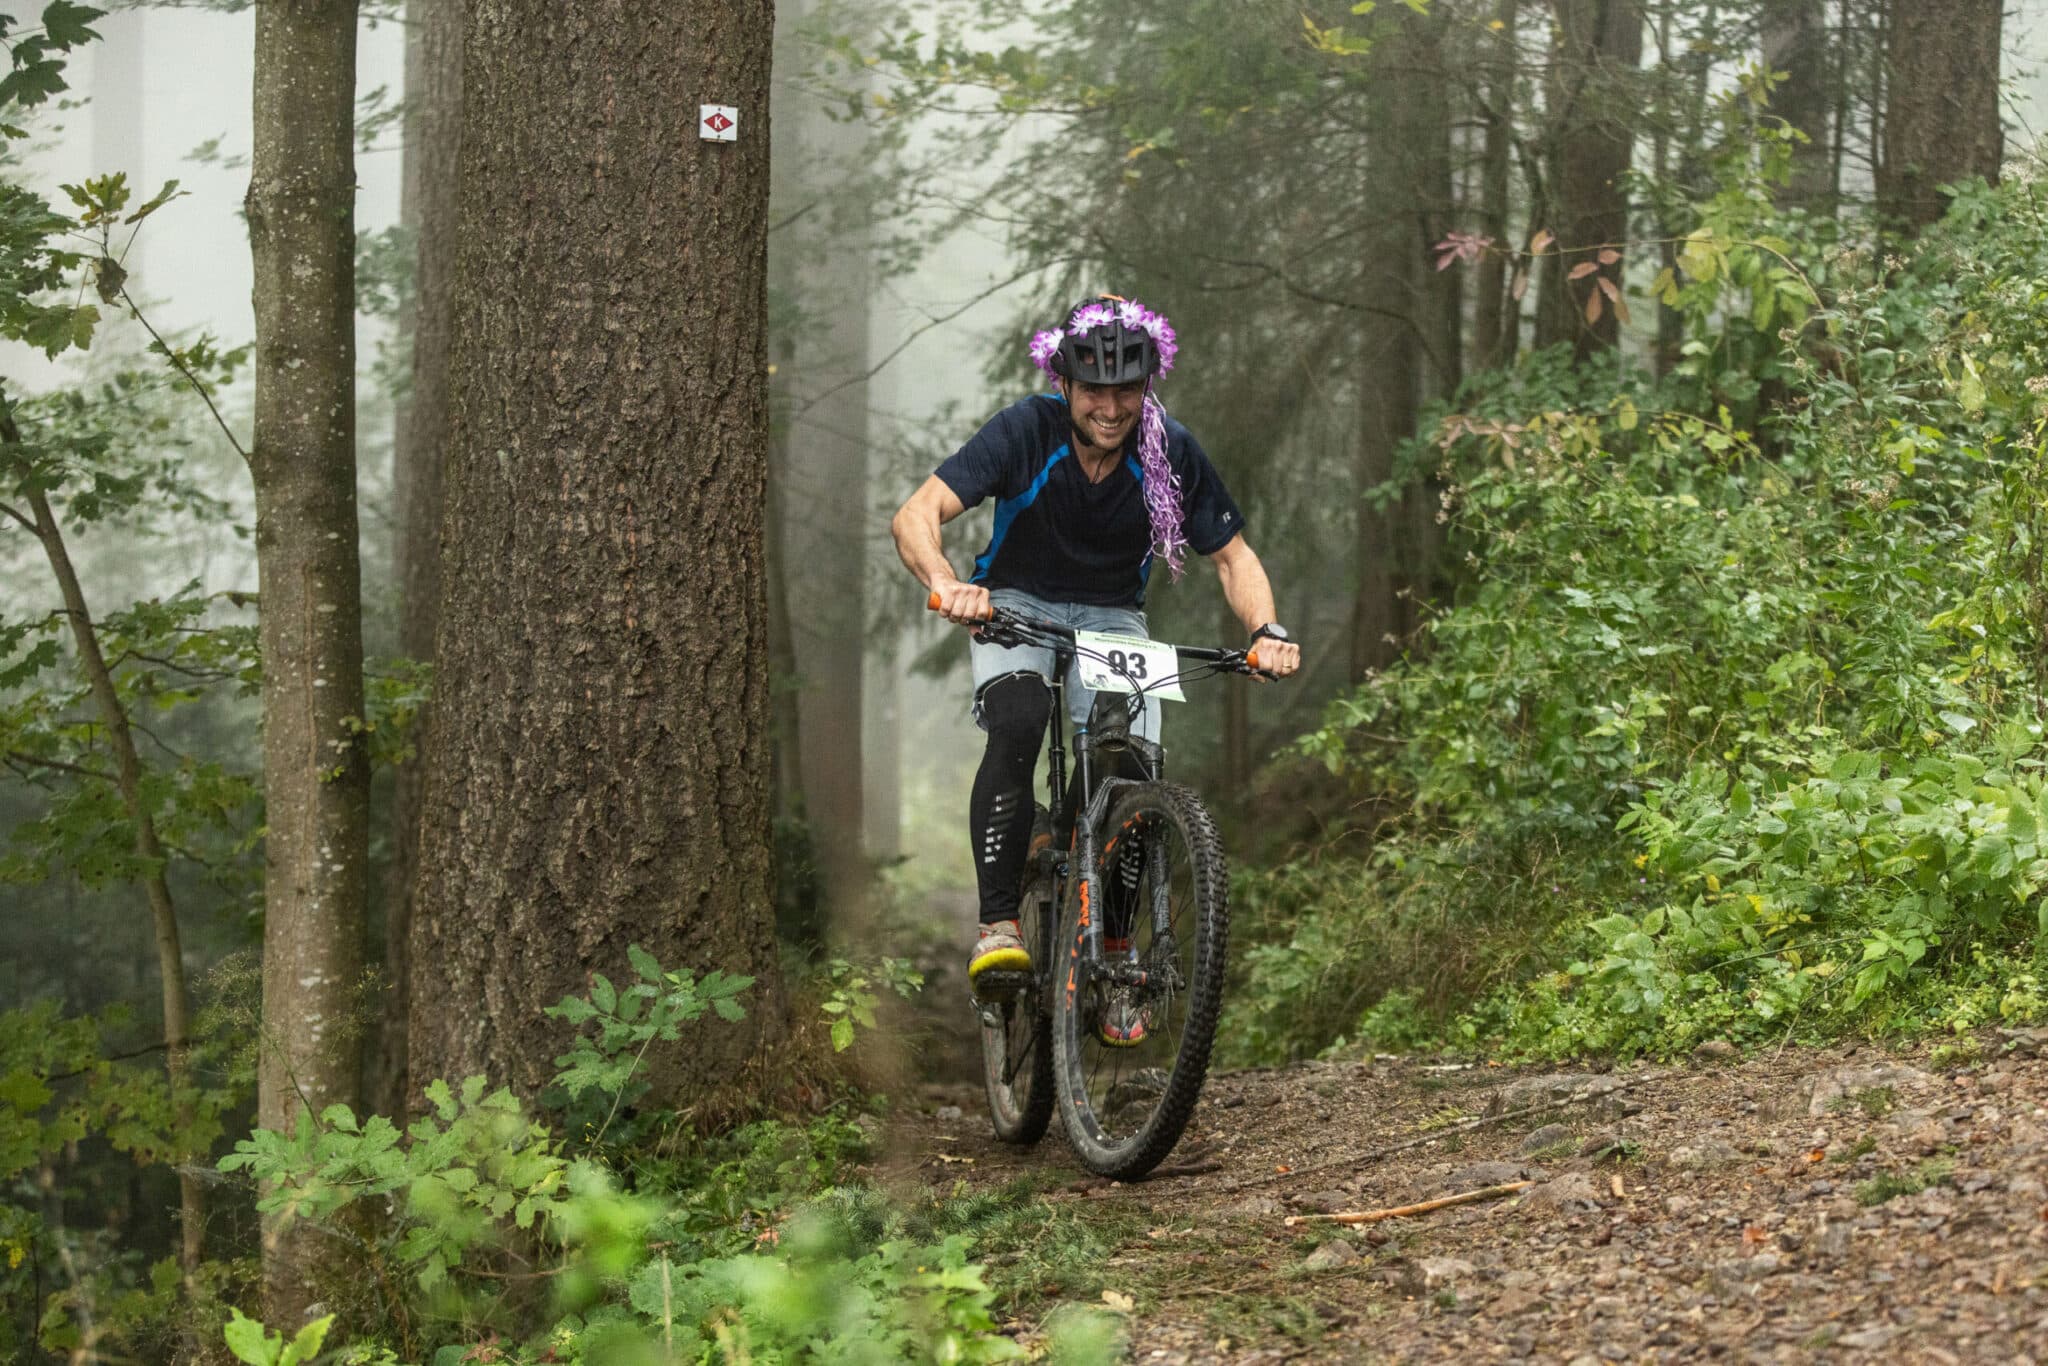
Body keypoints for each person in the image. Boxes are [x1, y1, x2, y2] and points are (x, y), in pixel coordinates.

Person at [889, 294, 1302, 1043]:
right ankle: (997, 927)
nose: (1110, 409)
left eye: (1126, 390)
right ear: (1065, 384)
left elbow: (1233, 557)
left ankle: (1115, 955)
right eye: (1093, 390)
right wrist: (948, 583)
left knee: (1130, 767)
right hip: (1014, 601)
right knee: (1019, 716)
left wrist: (1265, 630)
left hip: (1112, 618)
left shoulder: (1168, 450)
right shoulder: (1025, 430)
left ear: (1147, 386)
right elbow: (916, 514)